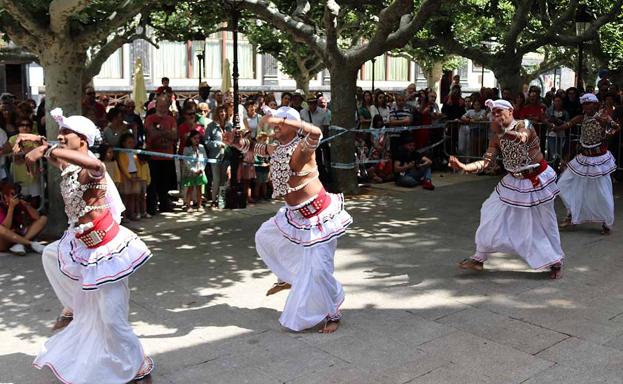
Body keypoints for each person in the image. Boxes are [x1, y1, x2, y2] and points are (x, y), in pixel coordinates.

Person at [25, 108, 153, 383]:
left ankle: (139, 364)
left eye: (64, 134)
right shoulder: (68, 165)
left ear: (82, 140)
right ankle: (73, 306)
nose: (59, 137)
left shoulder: (92, 169)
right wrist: (30, 141)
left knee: (112, 319)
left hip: (108, 253)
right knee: (50, 254)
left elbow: (95, 167)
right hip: (82, 245)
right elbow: (55, 154)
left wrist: (46, 150)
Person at [223, 106, 352, 333]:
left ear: (291, 125)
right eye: (275, 125)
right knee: (265, 236)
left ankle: (333, 314)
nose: (275, 128)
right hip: (294, 216)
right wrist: (234, 141)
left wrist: (283, 119)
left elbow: (315, 133)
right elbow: (255, 147)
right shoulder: (278, 148)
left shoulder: (303, 148)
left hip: (319, 217)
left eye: (280, 125)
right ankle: (290, 277)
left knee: (320, 270)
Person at [449, 99, 564, 279]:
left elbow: (522, 138)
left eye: (498, 112)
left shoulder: (524, 125)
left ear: (510, 111)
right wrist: (464, 167)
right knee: (489, 210)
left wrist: (503, 132)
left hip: (536, 180)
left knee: (543, 221)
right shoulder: (496, 136)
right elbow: (486, 162)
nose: (495, 116)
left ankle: (554, 260)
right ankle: (479, 257)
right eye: (493, 113)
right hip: (513, 180)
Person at [556, 93, 620, 234]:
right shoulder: (581, 118)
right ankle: (572, 214)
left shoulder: (603, 117)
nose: (587, 106)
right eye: (584, 104)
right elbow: (566, 125)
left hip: (599, 160)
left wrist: (608, 132)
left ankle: (606, 222)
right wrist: (551, 125)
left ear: (595, 104)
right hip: (583, 158)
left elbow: (616, 127)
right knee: (563, 183)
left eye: (589, 103)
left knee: (602, 192)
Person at [144, 96, 178, 214]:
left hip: (167, 155)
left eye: (165, 106)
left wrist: (159, 132)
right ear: (156, 105)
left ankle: (164, 205)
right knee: (152, 184)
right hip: (153, 156)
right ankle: (151, 208)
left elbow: (174, 136)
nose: (163, 108)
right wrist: (166, 133)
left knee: (165, 183)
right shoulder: (150, 118)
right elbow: (151, 135)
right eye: (161, 105)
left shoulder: (171, 119)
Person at [0, 181, 47, 255]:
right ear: (5, 197)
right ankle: (30, 244)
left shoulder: (19, 203)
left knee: (43, 219)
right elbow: (5, 228)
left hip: (17, 234)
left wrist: (27, 205)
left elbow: (37, 217)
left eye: (16, 194)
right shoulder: (1, 207)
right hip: (4, 240)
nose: (15, 197)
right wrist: (11, 208)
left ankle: (20, 243)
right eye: (12, 194)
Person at [117, 133, 142, 221]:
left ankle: (131, 214)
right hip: (126, 176)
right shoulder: (122, 153)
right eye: (129, 142)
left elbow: (137, 164)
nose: (131, 144)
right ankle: (124, 215)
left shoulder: (134, 152)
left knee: (133, 196)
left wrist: (138, 175)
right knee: (125, 197)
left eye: (132, 142)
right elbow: (122, 166)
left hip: (134, 175)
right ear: (123, 143)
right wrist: (129, 177)